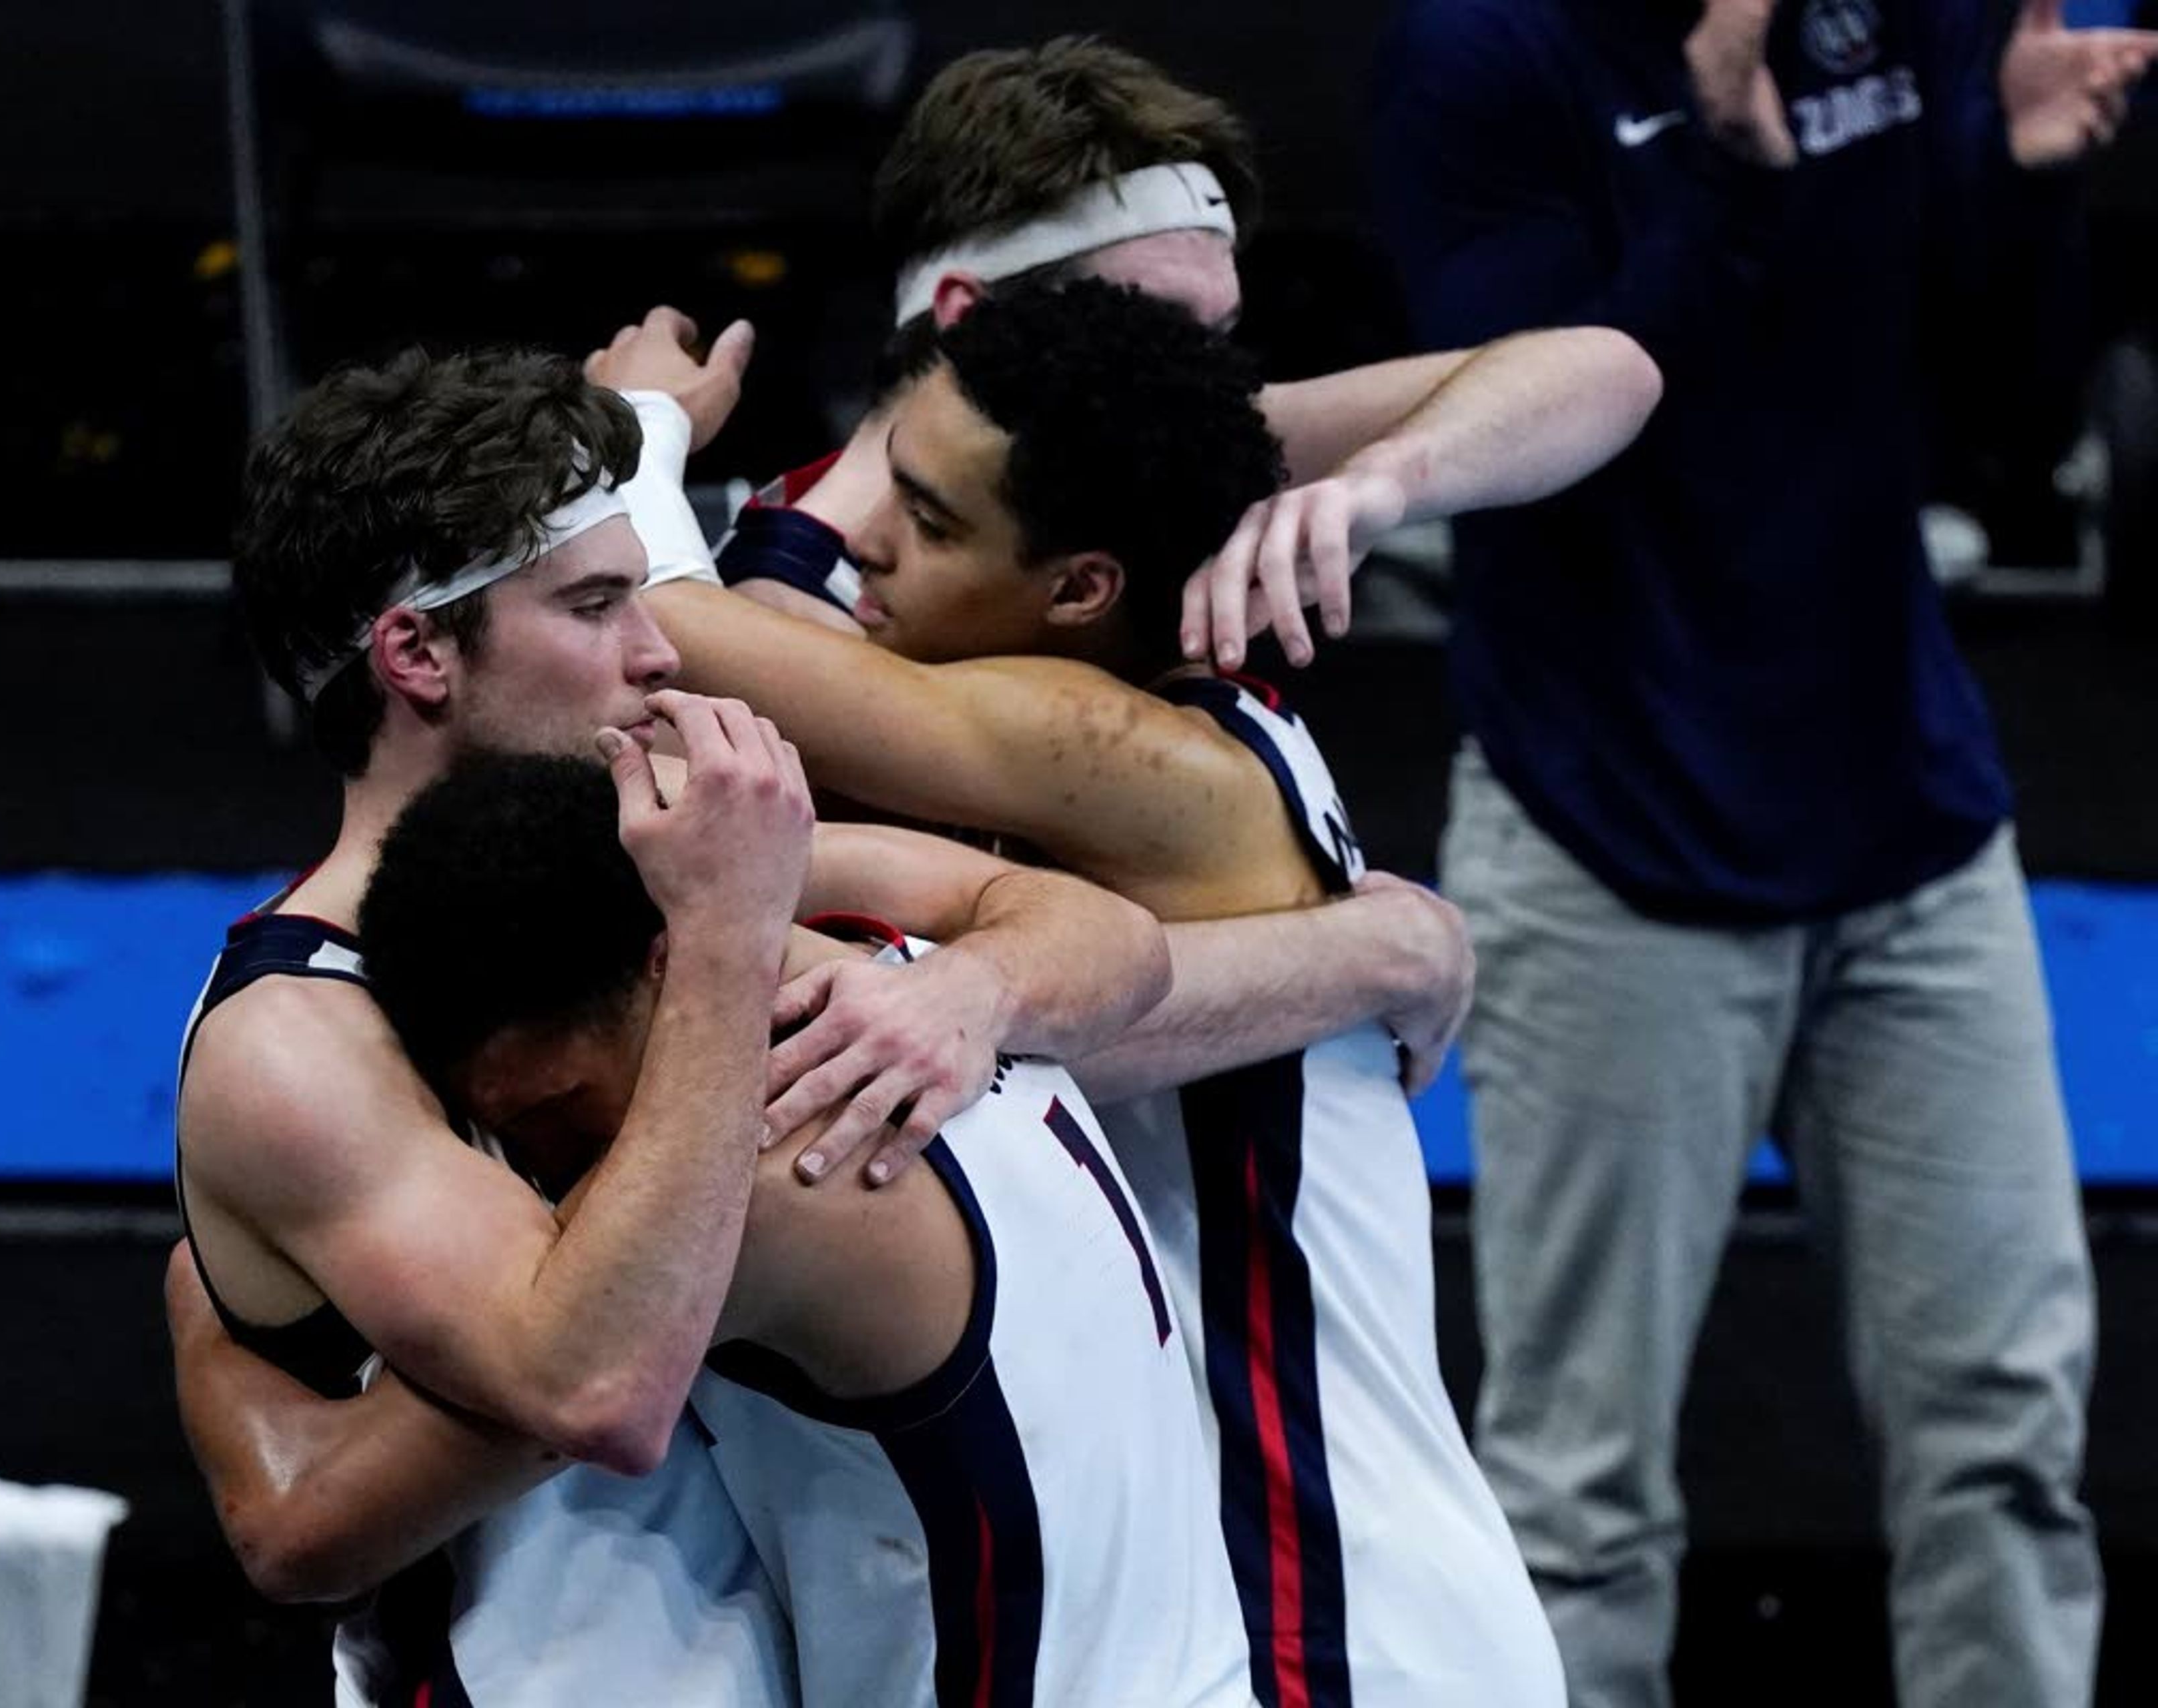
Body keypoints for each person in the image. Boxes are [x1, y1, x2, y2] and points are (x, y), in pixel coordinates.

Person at [631, 277, 1597, 1707]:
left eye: (933, 522)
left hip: (1328, 1609)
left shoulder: (1138, 750)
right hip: (1247, 1592)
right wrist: (1390, 949)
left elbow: (672, 626)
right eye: (883, 488)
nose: (875, 546)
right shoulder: (1092, 699)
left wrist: (638, 434)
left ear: (1084, 585)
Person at [175, 342, 1174, 1706]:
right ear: (415, 650)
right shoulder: (298, 1039)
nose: (659, 652)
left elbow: (1101, 934)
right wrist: (728, 945)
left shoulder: (639, 840)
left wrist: (966, 986)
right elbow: (597, 1384)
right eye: (595, 605)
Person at [1364, 1, 2157, 1703]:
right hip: (1610, 836)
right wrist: (1719, 163)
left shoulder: (1913, 11)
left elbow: (2000, 416)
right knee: (1576, 1495)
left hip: (1910, 823)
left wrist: (2017, 182)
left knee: (2008, 1451)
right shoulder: (1487, 51)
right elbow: (1525, 424)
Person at [356, 750, 1250, 1707]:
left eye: (562, 1102)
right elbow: (1118, 935)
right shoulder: (921, 972)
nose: (545, 1155)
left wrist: (203, 1305)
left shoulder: (777, 1179)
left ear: (671, 967)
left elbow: (312, 1525)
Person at [685, 35, 1666, 673]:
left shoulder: (1166, 449)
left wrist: (1382, 484)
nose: (1207, 380)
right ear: (968, 317)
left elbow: (1610, 369)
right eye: (1157, 327)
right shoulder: (785, 591)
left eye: (1219, 332)